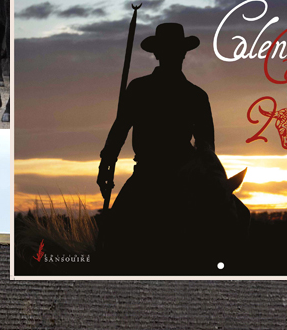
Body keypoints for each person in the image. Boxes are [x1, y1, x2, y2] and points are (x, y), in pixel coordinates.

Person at [96, 22, 246, 269]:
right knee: (115, 232)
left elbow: (206, 148)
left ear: (182, 53)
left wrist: (106, 165)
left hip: (174, 177)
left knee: (115, 234)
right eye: (169, 50)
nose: (173, 55)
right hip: (150, 174)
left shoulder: (177, 93)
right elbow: (119, 131)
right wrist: (106, 164)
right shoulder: (156, 90)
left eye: (176, 50)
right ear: (159, 54)